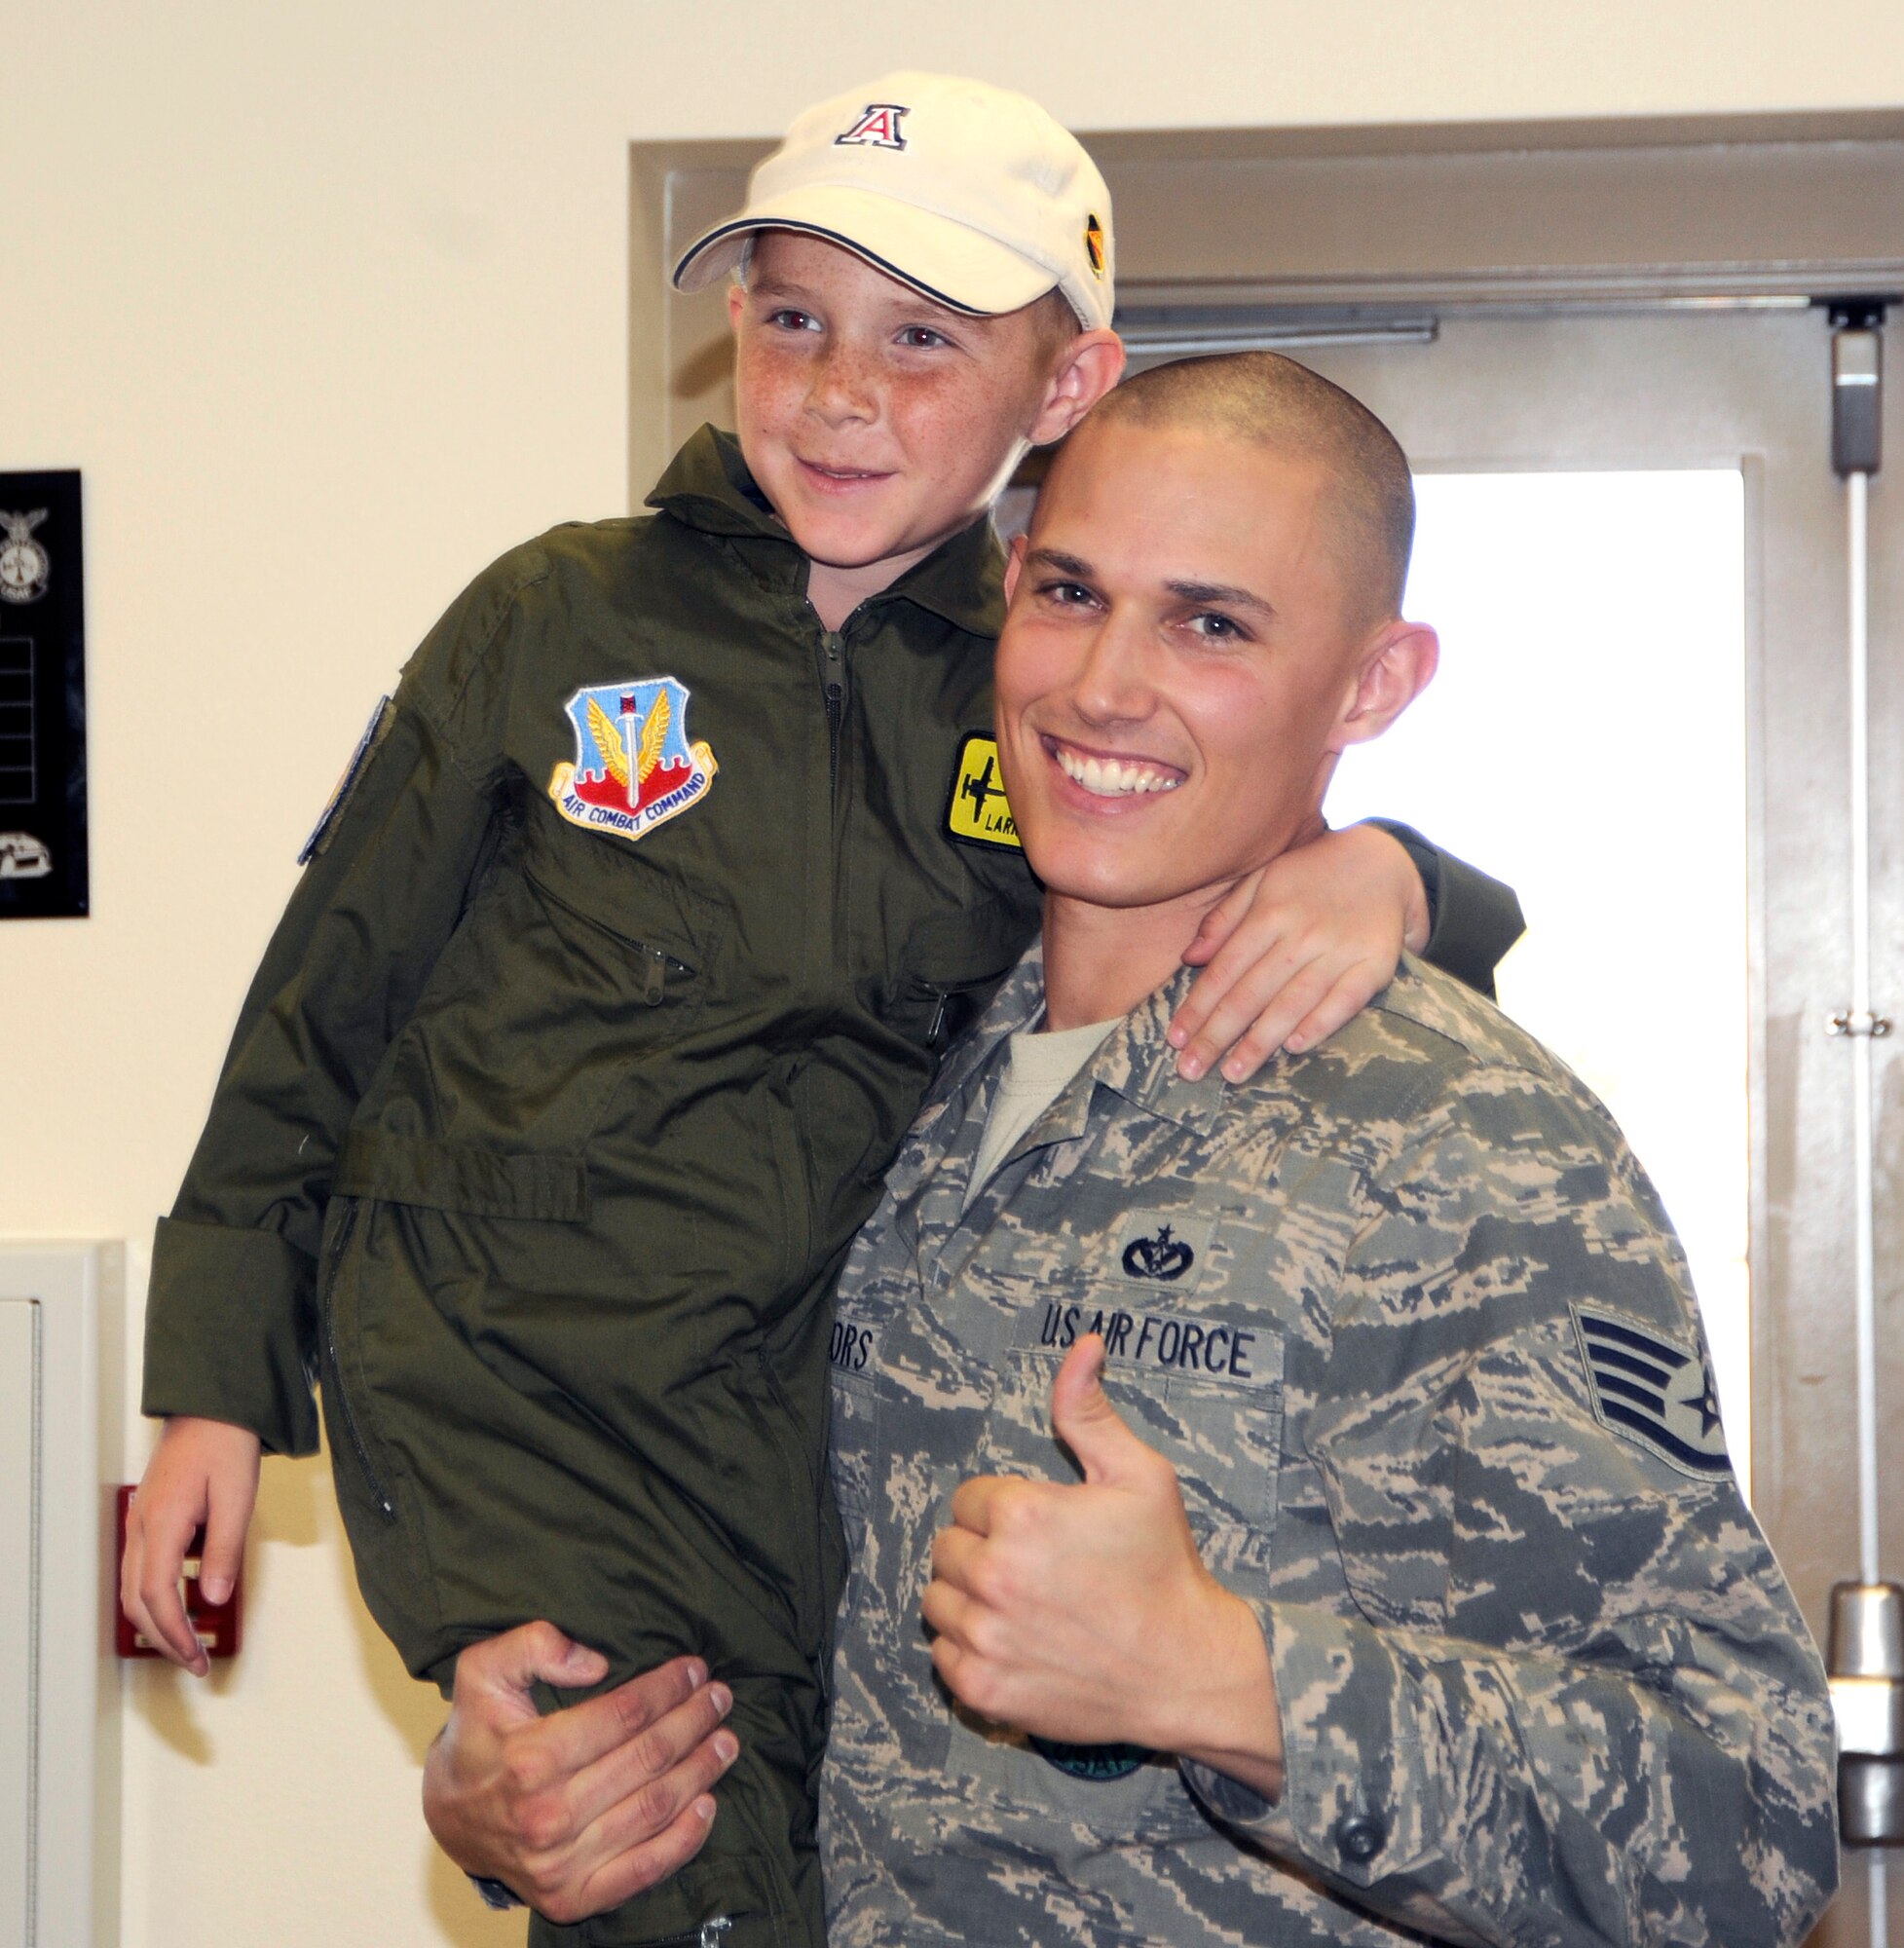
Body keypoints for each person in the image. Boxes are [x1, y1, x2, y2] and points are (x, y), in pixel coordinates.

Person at [122, 79, 1524, 1948]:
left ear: (1064, 390)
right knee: (641, 1828)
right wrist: (211, 1393)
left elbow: (1249, 878)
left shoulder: (1042, 682)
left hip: (818, 1422)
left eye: (921, 340)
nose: (838, 390)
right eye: (791, 318)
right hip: (535, 1407)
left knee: (832, 1838)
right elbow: (315, 1014)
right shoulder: (552, 620)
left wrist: (1411, 877)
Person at [425, 354, 1839, 1948]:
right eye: (1071, 591)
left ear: (1372, 688)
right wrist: (527, 1788)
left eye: (1212, 624)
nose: (1102, 685)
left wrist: (1219, 1674)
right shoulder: (881, 1065)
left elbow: (1747, 1821)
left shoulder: (1464, 1148)